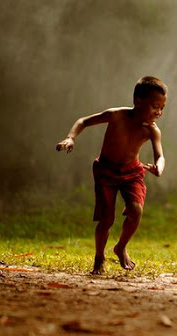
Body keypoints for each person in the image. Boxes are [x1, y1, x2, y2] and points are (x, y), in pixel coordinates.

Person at [56, 76, 167, 275]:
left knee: (136, 210)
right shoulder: (117, 115)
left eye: (162, 108)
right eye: (155, 106)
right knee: (106, 219)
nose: (158, 112)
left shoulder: (152, 130)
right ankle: (99, 257)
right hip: (106, 170)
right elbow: (83, 121)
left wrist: (159, 167)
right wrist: (70, 138)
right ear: (138, 101)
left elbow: (160, 155)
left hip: (132, 172)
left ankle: (121, 246)